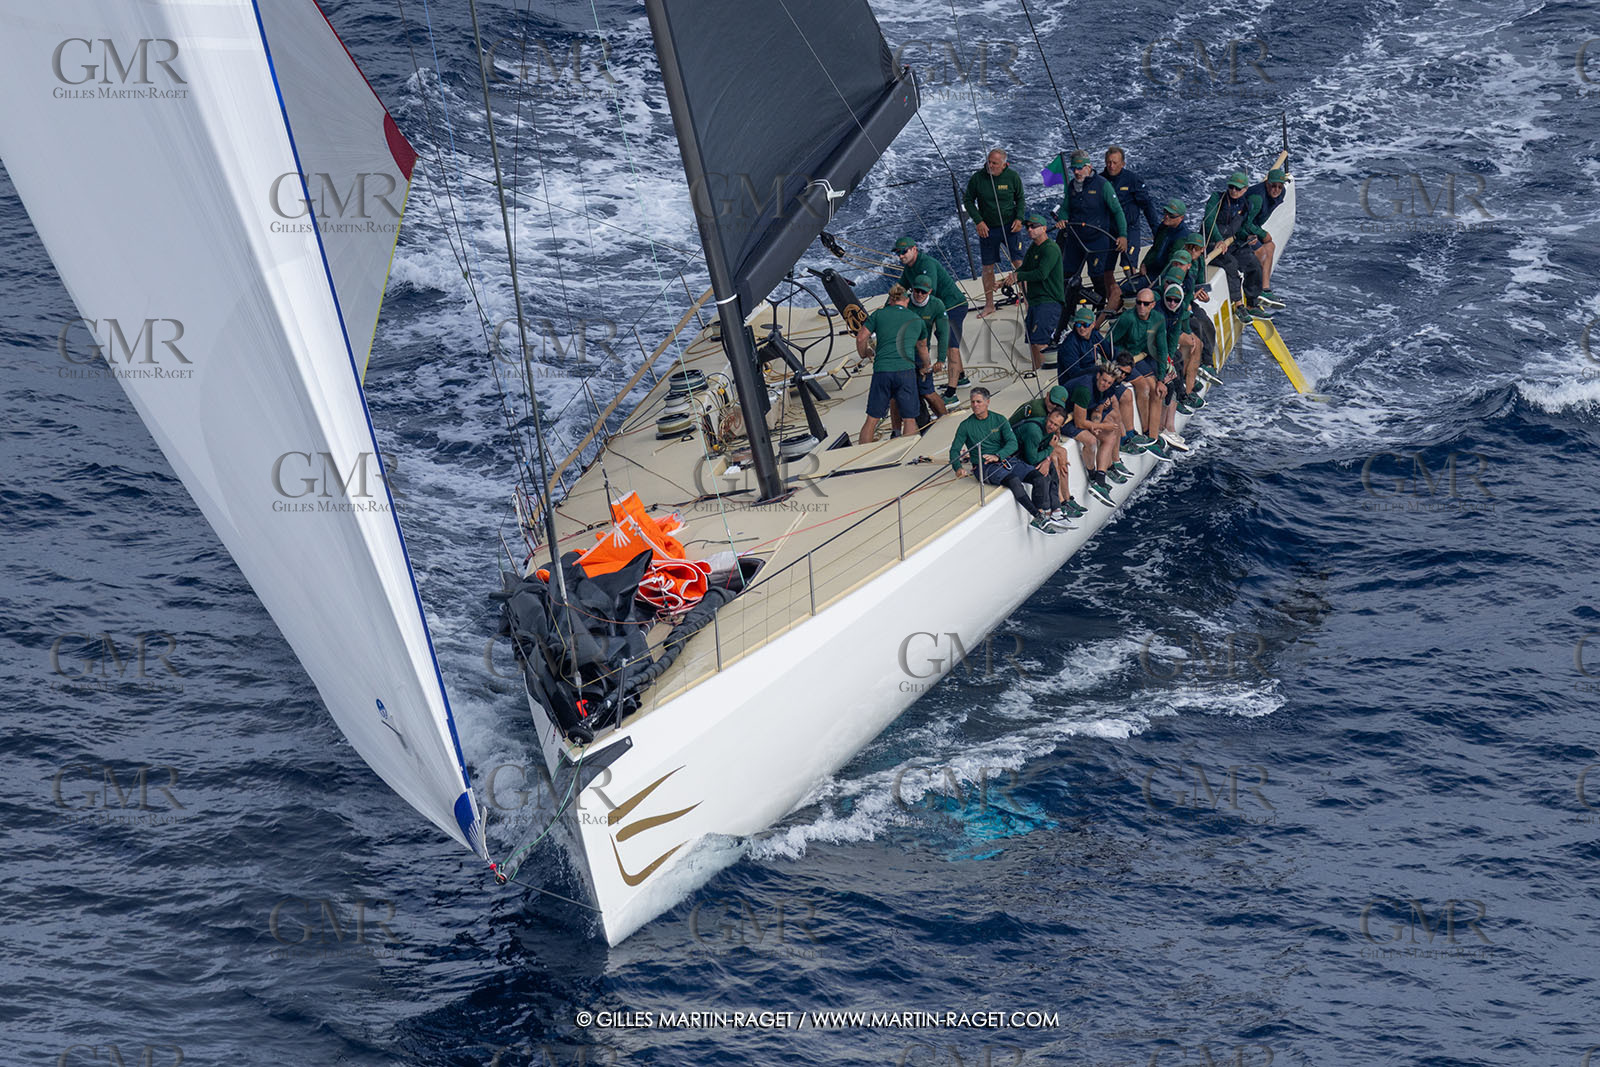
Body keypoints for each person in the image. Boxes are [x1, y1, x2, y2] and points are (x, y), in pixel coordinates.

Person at [949, 386, 1061, 533]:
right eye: (973, 402)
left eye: (979, 402)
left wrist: (998, 456)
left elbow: (1012, 443)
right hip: (984, 467)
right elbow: (955, 450)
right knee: (1013, 480)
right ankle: (1039, 517)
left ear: (988, 402)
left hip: (1005, 460)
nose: (975, 405)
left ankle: (1039, 517)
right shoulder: (966, 426)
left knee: (1039, 477)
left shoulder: (999, 420)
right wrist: (958, 468)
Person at [894, 236, 972, 399]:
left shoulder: (927, 264)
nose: (901, 256)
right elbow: (899, 290)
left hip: (954, 306)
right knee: (951, 344)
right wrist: (890, 307)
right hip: (940, 308)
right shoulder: (909, 268)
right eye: (898, 253)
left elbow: (930, 292)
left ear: (914, 249)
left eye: (904, 252)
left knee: (952, 346)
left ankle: (951, 394)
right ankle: (961, 378)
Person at [1054, 149, 1127, 314]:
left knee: (1097, 277)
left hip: (1097, 241)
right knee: (1067, 277)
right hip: (1075, 241)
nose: (1076, 172)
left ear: (1089, 167)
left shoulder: (1103, 185)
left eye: (1080, 168)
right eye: (1074, 169)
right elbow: (1066, 208)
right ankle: (1068, 313)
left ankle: (1099, 311)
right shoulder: (1072, 186)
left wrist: (1123, 235)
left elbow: (1118, 212)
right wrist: (1062, 219)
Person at [856, 284, 929, 445]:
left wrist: (864, 353)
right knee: (909, 419)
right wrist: (926, 366)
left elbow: (861, 337)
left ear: (890, 300)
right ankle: (904, 457)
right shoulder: (916, 320)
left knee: (872, 419)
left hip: (882, 371)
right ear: (907, 301)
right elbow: (922, 347)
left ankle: (861, 460)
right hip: (906, 372)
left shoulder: (879, 314)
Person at [1109, 287, 1176, 462]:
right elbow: (1109, 342)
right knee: (1144, 388)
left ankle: (1152, 436)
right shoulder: (1127, 318)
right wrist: (1120, 362)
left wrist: (1161, 379)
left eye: (1146, 304)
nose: (1141, 307)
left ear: (1153, 305)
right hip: (1124, 359)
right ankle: (1145, 433)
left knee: (1156, 389)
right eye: (1138, 302)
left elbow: (1162, 350)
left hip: (1140, 357)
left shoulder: (1158, 319)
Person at [963, 149, 1027, 318]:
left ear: (1004, 165)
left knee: (1019, 264)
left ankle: (1028, 301)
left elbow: (1020, 199)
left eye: (994, 163)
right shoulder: (978, 178)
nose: (989, 165)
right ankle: (989, 305)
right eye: (989, 162)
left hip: (1010, 227)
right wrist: (979, 221)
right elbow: (968, 200)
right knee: (987, 268)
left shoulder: (1012, 177)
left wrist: (1019, 219)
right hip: (988, 229)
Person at [1202, 170, 1267, 322]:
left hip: (1230, 242)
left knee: (1253, 263)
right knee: (1231, 264)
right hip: (1211, 244)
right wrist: (1218, 240)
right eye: (1231, 187)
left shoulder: (1246, 205)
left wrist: (1249, 236)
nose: (1233, 191)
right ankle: (1239, 306)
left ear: (1245, 189)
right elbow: (1208, 221)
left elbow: (1243, 227)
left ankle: (1252, 303)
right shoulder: (1216, 199)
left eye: (1238, 188)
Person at [1003, 213, 1064, 371]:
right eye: (1027, 226)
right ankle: (1037, 370)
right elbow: (1024, 268)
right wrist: (1005, 280)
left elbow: (1041, 274)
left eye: (1033, 226)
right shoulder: (1033, 248)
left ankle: (1046, 373)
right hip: (1036, 302)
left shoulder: (1050, 248)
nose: (1029, 229)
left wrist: (1018, 276)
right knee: (1032, 341)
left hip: (1048, 301)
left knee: (1040, 341)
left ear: (1044, 228)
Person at [1062, 362, 1126, 506]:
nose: (1105, 384)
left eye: (1109, 382)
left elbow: (1098, 409)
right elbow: (1079, 423)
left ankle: (1100, 479)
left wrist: (1095, 423)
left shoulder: (1109, 388)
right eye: (1103, 380)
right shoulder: (1085, 389)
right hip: (1065, 419)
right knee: (1090, 440)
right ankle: (1092, 475)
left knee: (1110, 436)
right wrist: (1099, 426)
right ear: (1098, 376)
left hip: (1083, 414)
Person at [1102, 146, 1162, 274]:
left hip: (1130, 229)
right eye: (1108, 162)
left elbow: (1147, 206)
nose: (1111, 166)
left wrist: (1156, 231)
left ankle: (1132, 289)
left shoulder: (1133, 180)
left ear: (1123, 164)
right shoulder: (1100, 181)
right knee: (1105, 269)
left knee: (1128, 266)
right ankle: (1110, 291)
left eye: (1115, 163)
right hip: (1108, 230)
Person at [1013, 407, 1076, 527]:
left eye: (1056, 425)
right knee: (1043, 476)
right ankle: (1045, 511)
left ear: (1060, 426)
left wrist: (1047, 460)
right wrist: (1049, 450)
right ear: (1047, 417)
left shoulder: (1052, 431)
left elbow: (1044, 451)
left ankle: (1056, 510)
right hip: (1015, 458)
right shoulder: (1034, 430)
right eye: (1051, 422)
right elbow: (1031, 459)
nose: (1051, 426)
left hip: (1029, 454)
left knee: (1052, 468)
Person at [906, 275, 951, 420]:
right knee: (903, 395)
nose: (919, 294)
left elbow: (943, 333)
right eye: (917, 290)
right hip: (902, 355)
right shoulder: (903, 302)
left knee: (927, 391)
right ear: (912, 289)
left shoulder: (937, 305)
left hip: (921, 354)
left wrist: (941, 359)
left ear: (930, 291)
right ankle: (921, 423)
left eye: (923, 292)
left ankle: (944, 419)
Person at [1242, 167, 1287, 306]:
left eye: (1280, 186)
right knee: (1261, 252)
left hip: (1253, 227)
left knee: (1270, 246)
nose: (1276, 190)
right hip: (1242, 230)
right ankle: (1254, 294)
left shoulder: (1281, 193)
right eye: (1273, 186)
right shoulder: (1257, 198)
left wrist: (1261, 234)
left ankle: (1265, 289)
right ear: (1267, 184)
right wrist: (1262, 234)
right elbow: (1245, 223)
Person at [1057, 305, 1111, 381]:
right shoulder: (1069, 344)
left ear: (1093, 324)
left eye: (1086, 325)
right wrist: (1098, 370)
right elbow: (1074, 373)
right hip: (1075, 382)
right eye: (1078, 324)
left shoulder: (1094, 335)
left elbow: (1110, 352)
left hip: (1092, 375)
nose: (1081, 328)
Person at [1141, 199, 1189, 283]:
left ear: (1181, 218)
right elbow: (1155, 248)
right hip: (1152, 271)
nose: (1166, 216)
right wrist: (1144, 263)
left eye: (1171, 215)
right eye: (1165, 212)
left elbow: (1172, 264)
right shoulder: (1163, 227)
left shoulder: (1182, 238)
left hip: (1162, 277)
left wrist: (1159, 282)